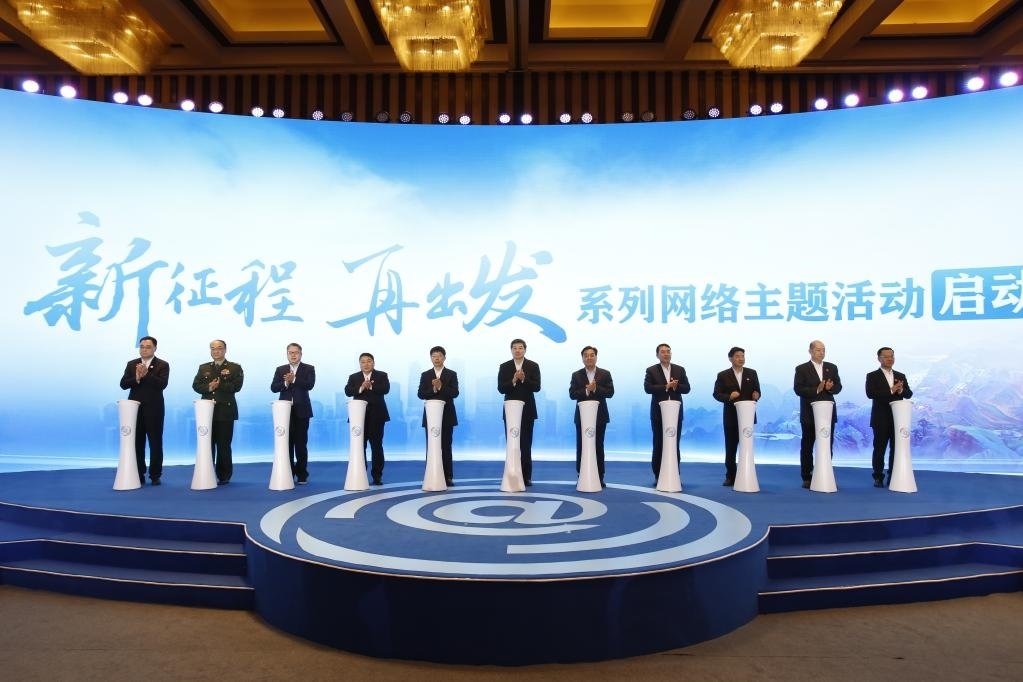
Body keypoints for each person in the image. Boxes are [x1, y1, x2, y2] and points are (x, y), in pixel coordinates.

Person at [118, 335, 169, 485]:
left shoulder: (162, 365)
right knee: (137, 442)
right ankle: (139, 473)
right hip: (134, 409)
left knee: (155, 442)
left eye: (148, 347)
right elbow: (123, 384)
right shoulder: (131, 364)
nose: (144, 349)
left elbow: (162, 384)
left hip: (154, 408)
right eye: (142, 347)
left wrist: (147, 374)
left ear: (155, 348)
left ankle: (155, 475)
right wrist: (137, 378)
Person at [192, 339, 244, 485]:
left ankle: (224, 475)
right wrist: (209, 387)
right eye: (213, 348)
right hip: (206, 413)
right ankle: (207, 472)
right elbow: (196, 386)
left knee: (223, 445)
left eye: (219, 348)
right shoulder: (203, 367)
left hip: (225, 411)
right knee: (207, 445)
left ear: (225, 350)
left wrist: (219, 384)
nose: (216, 351)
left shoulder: (234, 367)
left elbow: (237, 386)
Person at [793, 339, 842, 488]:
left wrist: (830, 388)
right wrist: (817, 389)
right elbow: (798, 389)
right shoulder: (801, 369)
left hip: (827, 413)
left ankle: (824, 472)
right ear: (810, 351)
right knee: (807, 445)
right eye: (818, 350)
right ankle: (807, 477)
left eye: (823, 350)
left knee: (827, 444)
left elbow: (839, 387)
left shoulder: (832, 367)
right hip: (809, 413)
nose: (821, 353)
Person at [712, 346, 761, 486]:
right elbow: (716, 394)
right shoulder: (723, 375)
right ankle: (731, 476)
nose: (741, 358)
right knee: (731, 448)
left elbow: (757, 391)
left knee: (747, 447)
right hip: (731, 417)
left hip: (747, 418)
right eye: (738, 356)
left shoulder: (752, 373)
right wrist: (729, 396)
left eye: (742, 356)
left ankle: (746, 473)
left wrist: (757, 395)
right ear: (730, 358)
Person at [865, 346, 914, 487]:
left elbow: (909, 394)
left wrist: (901, 389)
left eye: (891, 356)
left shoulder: (900, 375)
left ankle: (893, 475)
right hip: (880, 418)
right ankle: (878, 476)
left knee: (896, 448)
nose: (890, 359)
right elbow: (870, 393)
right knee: (879, 449)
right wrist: (891, 390)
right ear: (879, 359)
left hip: (898, 419)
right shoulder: (872, 376)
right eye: (886, 356)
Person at [643, 343, 690, 484]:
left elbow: (687, 388)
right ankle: (658, 475)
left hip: (675, 413)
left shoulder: (679, 369)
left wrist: (676, 386)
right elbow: (648, 388)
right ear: (657, 355)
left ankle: (675, 473)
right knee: (659, 444)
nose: (666, 354)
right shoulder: (651, 370)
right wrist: (665, 386)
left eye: (668, 351)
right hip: (658, 414)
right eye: (663, 352)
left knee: (674, 444)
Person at [497, 338, 541, 486]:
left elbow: (537, 387)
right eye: (514, 348)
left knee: (526, 444)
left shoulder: (533, 366)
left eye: (520, 347)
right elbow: (501, 388)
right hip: (510, 411)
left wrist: (523, 379)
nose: (517, 350)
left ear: (525, 350)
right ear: (511, 350)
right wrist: (514, 380)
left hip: (527, 410)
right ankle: (512, 473)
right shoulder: (504, 366)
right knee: (512, 442)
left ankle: (526, 476)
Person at [270, 343, 315, 485]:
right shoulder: (280, 369)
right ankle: (288, 473)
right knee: (286, 444)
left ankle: (302, 474)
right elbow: (273, 388)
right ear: (287, 354)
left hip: (302, 411)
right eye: (290, 352)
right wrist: (286, 382)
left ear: (301, 354)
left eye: (296, 352)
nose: (293, 355)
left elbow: (310, 385)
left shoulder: (309, 368)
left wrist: (294, 379)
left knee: (301, 444)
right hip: (284, 413)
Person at [569, 345, 614, 487]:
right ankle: (581, 474)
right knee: (582, 446)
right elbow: (572, 394)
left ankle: (599, 476)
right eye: (586, 355)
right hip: (582, 417)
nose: (589, 357)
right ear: (582, 358)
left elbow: (610, 392)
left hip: (600, 417)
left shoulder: (605, 373)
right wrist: (586, 390)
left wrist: (596, 389)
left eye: (592, 355)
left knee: (598, 446)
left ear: (596, 357)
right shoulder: (576, 375)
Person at [344, 352, 391, 485]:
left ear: (373, 363)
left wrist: (371, 386)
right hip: (358, 418)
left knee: (377, 446)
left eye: (369, 361)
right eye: (363, 361)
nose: (366, 364)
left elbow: (385, 389)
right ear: (359, 364)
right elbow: (348, 391)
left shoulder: (381, 375)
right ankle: (361, 473)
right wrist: (361, 388)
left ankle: (377, 476)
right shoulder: (354, 377)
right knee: (359, 446)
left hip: (377, 416)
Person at [417, 345, 459, 486]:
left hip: (447, 416)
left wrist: (441, 386)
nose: (437, 358)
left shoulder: (451, 374)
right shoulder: (425, 374)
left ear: (444, 358)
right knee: (431, 446)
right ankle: (431, 474)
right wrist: (434, 389)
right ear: (431, 358)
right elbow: (421, 394)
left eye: (439, 356)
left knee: (446, 446)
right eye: (434, 356)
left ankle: (448, 476)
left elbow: (455, 393)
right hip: (431, 416)